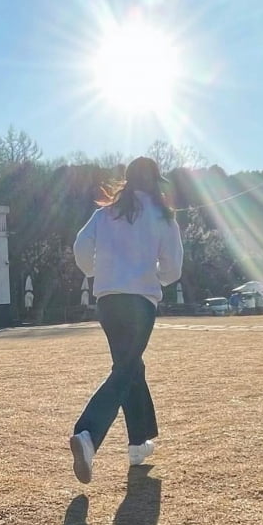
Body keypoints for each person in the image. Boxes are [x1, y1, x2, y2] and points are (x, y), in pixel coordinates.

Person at [70, 157, 184, 484]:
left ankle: (138, 444)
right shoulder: (164, 217)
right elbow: (173, 269)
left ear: (127, 180)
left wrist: (95, 272)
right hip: (140, 301)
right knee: (126, 368)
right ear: (156, 180)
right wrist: (156, 277)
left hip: (107, 300)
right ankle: (89, 434)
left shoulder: (104, 213)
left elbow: (80, 247)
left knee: (131, 365)